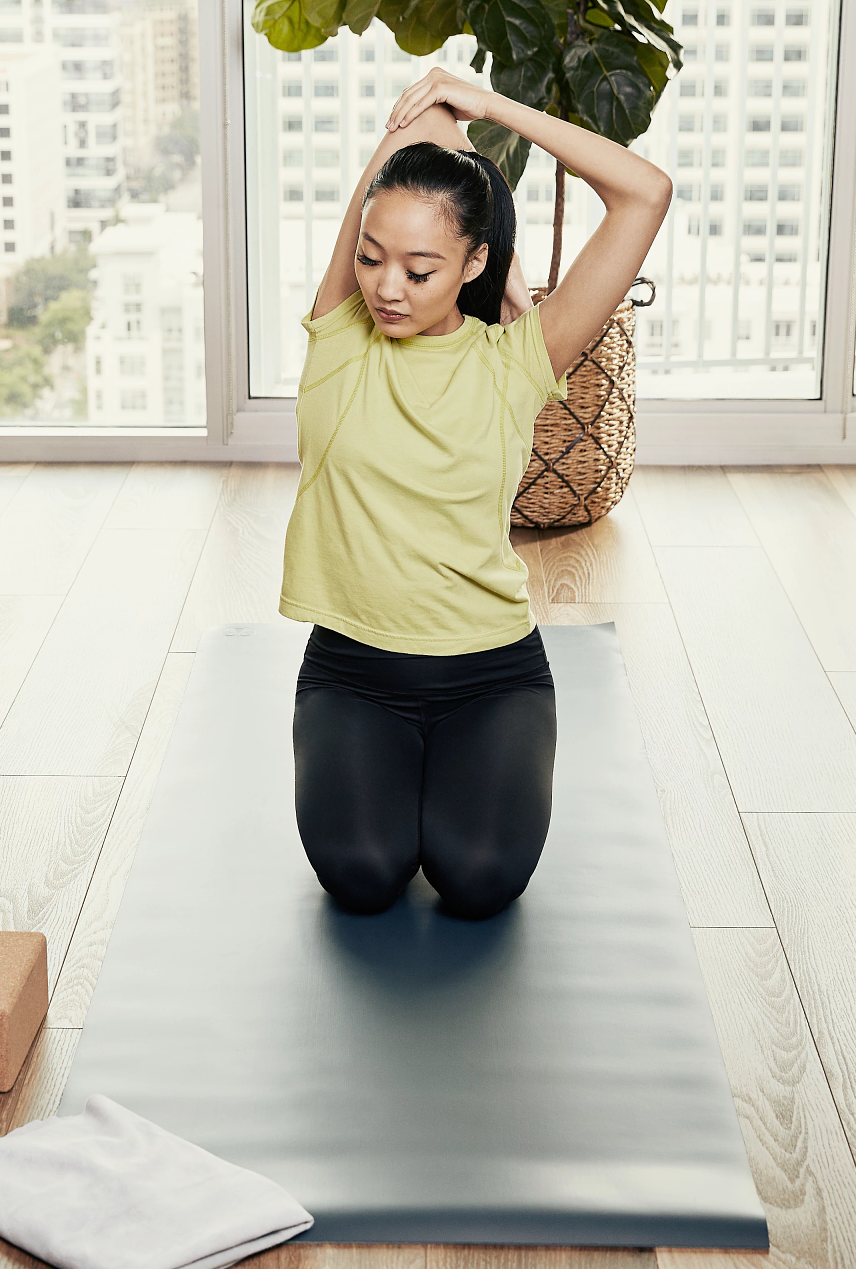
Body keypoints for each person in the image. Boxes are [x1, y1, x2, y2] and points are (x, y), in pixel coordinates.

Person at [283, 67, 671, 921]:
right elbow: (394, 171)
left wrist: (491, 109)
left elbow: (645, 193)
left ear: (475, 262)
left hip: (491, 677)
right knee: (363, 874)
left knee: (480, 878)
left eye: (421, 270)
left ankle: (461, 777)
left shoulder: (518, 360)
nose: (387, 287)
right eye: (372, 258)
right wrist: (429, 119)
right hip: (353, 671)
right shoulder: (338, 341)